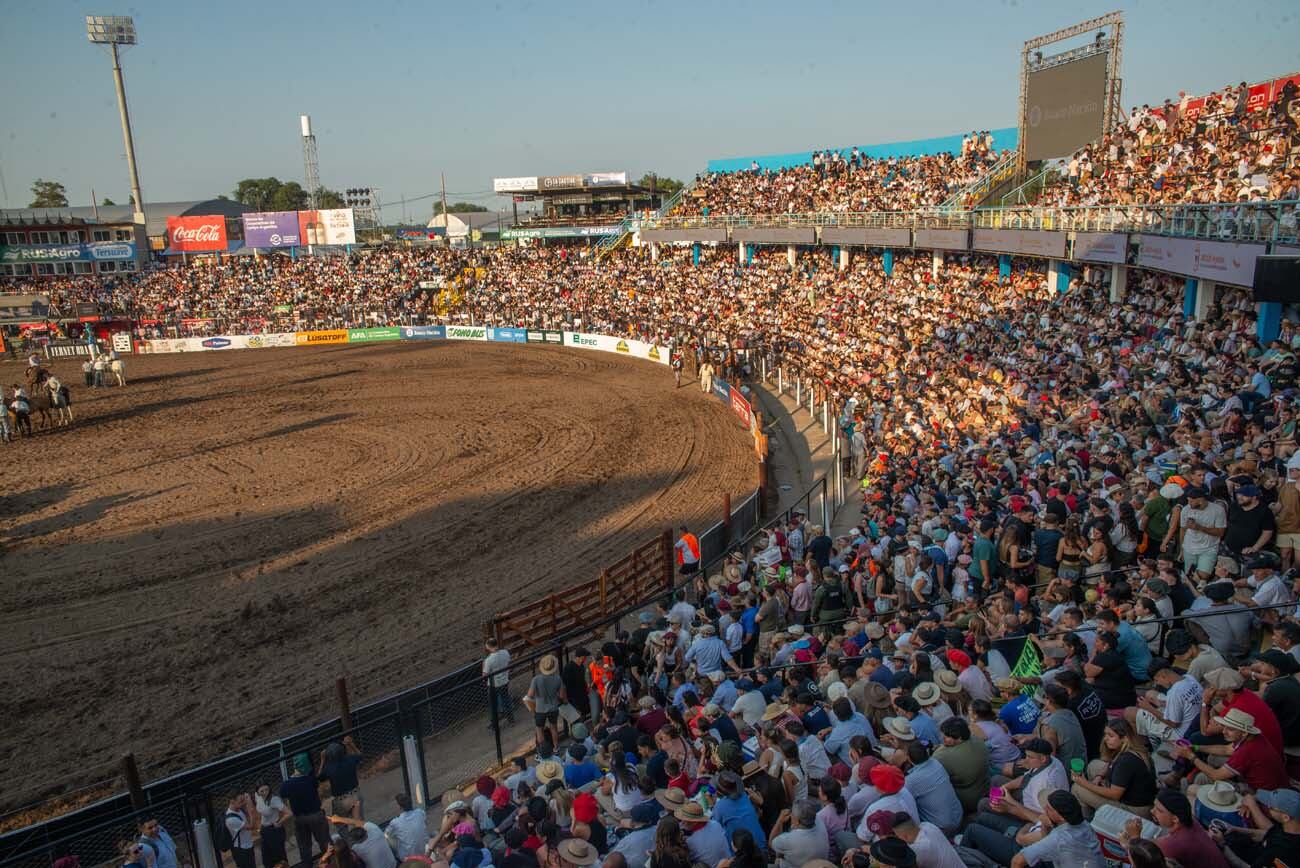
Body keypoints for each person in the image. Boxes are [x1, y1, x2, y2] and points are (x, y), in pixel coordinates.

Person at [1070, 718, 1156, 817]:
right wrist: (1099, 777)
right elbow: (1111, 762)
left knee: (1077, 788)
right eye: (1105, 734)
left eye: (1111, 736)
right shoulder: (1134, 748)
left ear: (1124, 738)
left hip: (1134, 810)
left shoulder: (1126, 761)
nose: (1105, 738)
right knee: (1093, 766)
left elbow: (1114, 794)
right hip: (1138, 797)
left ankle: (1088, 821)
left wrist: (1084, 783)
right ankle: (1095, 807)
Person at [1125, 790, 1229, 868]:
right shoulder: (1191, 821)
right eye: (1154, 807)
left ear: (1175, 819)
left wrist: (1134, 838)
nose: (1152, 811)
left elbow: (1143, 860)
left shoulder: (1173, 845)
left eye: (1159, 810)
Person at [1011, 790, 1103, 868]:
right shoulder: (1084, 824)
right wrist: (1045, 825)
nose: (1044, 809)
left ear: (1062, 817)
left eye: (1049, 808)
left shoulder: (1059, 838)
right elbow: (1047, 842)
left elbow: (1017, 861)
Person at [279, 752, 332, 865]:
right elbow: (317, 782)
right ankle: (332, 863)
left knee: (304, 847)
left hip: (299, 818)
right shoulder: (309, 779)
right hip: (316, 815)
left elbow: (283, 793)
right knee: (325, 842)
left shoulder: (287, 784)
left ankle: (308, 865)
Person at [768, 800, 828, 868]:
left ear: (796, 821)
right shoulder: (820, 821)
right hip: (820, 864)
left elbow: (771, 842)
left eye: (792, 814)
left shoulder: (788, 840)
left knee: (777, 857)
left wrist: (780, 820)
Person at [526, 654, 565, 755]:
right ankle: (556, 747)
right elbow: (561, 696)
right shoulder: (557, 678)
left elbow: (529, 695)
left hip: (540, 709)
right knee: (554, 728)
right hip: (553, 708)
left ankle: (543, 751)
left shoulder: (536, 679)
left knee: (539, 729)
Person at [319, 737, 365, 822]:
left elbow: (320, 777)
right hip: (355, 795)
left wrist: (322, 760)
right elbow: (360, 756)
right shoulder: (350, 759)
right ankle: (361, 834)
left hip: (341, 800)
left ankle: (348, 835)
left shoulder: (329, 768)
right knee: (359, 822)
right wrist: (351, 745)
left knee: (340, 825)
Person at [329, 815, 398, 868]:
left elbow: (346, 851)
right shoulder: (375, 829)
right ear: (365, 832)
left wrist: (337, 819)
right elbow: (356, 822)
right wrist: (339, 819)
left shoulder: (357, 849)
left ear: (356, 840)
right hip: (394, 865)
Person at [252, 785, 289, 867]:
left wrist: (279, 822)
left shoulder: (274, 799)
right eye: (262, 791)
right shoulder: (258, 797)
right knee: (266, 858)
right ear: (257, 792)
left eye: (266, 789)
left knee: (279, 857)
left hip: (274, 830)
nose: (265, 792)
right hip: (265, 830)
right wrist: (259, 827)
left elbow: (288, 813)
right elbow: (259, 811)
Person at [385, 793, 430, 859]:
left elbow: (387, 834)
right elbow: (425, 824)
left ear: (399, 806)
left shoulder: (395, 822)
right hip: (426, 851)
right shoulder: (420, 812)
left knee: (387, 837)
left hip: (409, 858)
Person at [482, 638, 513, 724]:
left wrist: (483, 665)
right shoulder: (505, 652)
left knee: (493, 704)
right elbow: (509, 664)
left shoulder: (488, 660)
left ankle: (494, 723)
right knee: (506, 700)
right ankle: (511, 719)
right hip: (504, 681)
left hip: (494, 685)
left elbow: (484, 675)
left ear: (488, 646)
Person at [223, 794, 255, 868]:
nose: (243, 802)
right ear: (232, 801)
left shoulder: (238, 809)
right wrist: (251, 811)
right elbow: (251, 826)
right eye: (241, 801)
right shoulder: (231, 819)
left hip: (247, 845)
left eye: (243, 800)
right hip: (241, 850)